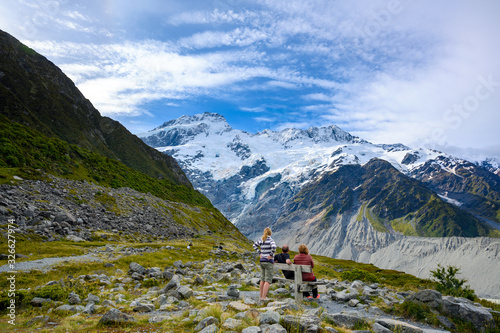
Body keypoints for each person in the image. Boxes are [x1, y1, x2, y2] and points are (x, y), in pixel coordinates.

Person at [253, 227, 276, 301]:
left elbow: (254, 245)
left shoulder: (261, 239)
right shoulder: (271, 240)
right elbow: (274, 247)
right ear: (270, 233)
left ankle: (260, 297)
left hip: (262, 261)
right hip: (268, 262)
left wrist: (260, 253)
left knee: (262, 279)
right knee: (268, 280)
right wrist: (271, 255)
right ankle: (263, 298)